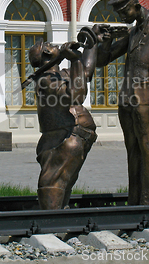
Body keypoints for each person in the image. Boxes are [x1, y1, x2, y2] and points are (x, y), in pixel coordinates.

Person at [93, 0, 149, 205]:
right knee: (132, 150)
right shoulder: (134, 32)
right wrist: (105, 41)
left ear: (136, 7)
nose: (122, 18)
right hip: (127, 99)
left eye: (124, 13)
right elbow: (105, 59)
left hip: (145, 100)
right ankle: (134, 201)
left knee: (148, 148)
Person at [28, 36, 98, 210]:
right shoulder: (46, 80)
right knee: (53, 181)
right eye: (48, 45)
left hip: (76, 137)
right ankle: (50, 224)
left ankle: (59, 219)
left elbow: (85, 72)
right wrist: (74, 59)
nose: (53, 44)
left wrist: (92, 41)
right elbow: (76, 95)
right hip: (62, 140)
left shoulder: (62, 74)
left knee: (64, 180)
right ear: (45, 53)